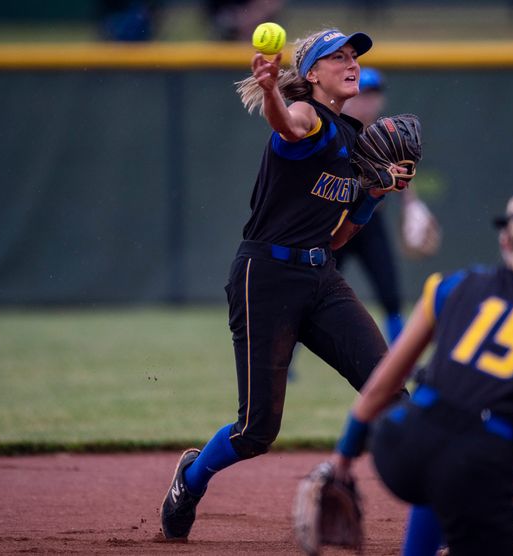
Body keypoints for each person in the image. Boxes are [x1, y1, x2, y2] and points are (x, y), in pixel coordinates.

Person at [159, 27, 406, 541]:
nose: (351, 63)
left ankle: (442, 516)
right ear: (312, 73)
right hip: (265, 277)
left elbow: (340, 240)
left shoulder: (353, 141)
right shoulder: (309, 118)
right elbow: (289, 126)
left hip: (321, 276)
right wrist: (271, 89)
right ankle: (190, 479)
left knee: (389, 393)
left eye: (354, 56)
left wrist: (376, 191)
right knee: (256, 431)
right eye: (337, 57)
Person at [332, 190, 513, 555]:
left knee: (437, 465)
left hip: (400, 447)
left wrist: (341, 458)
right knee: (456, 472)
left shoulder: (453, 285)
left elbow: (384, 381)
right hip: (478, 463)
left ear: (505, 240)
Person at [338, 67, 437, 343]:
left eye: (374, 94)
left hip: (370, 224)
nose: (367, 101)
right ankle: (288, 356)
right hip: (336, 223)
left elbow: (402, 173)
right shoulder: (337, 129)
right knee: (313, 291)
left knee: (390, 294)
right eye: (362, 94)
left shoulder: (386, 134)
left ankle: (400, 357)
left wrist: (412, 205)